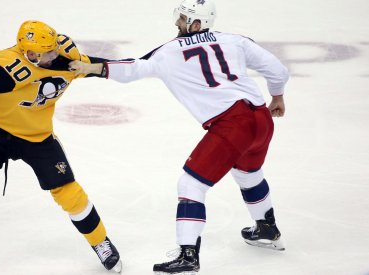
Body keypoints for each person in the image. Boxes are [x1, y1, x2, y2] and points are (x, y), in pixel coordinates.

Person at [69, 0, 289, 273]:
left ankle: (188, 256)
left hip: (233, 125)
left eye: (183, 18)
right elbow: (278, 70)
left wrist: (92, 68)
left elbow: (133, 68)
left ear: (196, 24)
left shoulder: (169, 52)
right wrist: (277, 95)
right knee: (249, 174)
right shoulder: (235, 41)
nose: (177, 23)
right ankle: (266, 227)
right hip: (261, 119)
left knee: (191, 185)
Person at [0, 20, 122, 274]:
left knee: (69, 192)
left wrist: (143, 66)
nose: (56, 55)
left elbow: (100, 66)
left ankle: (102, 243)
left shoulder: (67, 58)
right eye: (48, 52)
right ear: (30, 53)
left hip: (37, 135)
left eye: (55, 48)